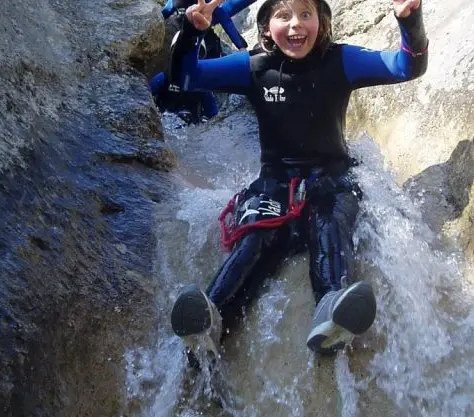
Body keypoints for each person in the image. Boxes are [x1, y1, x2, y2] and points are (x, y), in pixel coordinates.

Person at [169, 0, 428, 354]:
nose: (296, 26)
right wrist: (191, 33)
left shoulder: (341, 61)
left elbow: (405, 67)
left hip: (332, 179)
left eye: (306, 14)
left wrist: (409, 20)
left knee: (329, 228)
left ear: (321, 21)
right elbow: (187, 78)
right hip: (275, 184)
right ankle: (210, 318)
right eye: (283, 15)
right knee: (257, 238)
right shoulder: (253, 67)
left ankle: (331, 314)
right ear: (266, 28)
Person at [150, 0, 257, 123]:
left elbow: (213, 115)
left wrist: (241, 46)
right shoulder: (164, 78)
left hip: (200, 37)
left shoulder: (198, 87)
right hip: (186, 37)